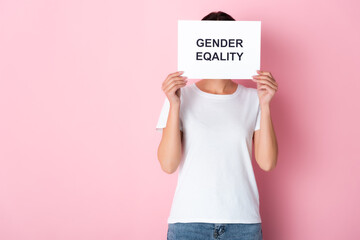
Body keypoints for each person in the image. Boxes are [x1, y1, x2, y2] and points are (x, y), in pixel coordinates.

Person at [156, 11, 278, 240]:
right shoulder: (180, 96)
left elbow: (268, 162)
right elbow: (168, 164)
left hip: (242, 224)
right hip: (188, 223)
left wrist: (266, 105)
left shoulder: (254, 98)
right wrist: (174, 104)